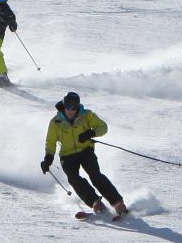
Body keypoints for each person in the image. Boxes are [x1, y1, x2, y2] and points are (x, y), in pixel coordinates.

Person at [41, 91, 129, 219]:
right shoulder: (56, 122)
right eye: (68, 107)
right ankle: (95, 202)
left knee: (95, 176)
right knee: (74, 179)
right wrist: (48, 158)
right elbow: (50, 142)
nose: (71, 111)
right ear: (64, 106)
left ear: (78, 106)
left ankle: (117, 203)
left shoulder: (87, 115)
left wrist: (91, 133)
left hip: (85, 151)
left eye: (74, 108)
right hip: (67, 155)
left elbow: (103, 127)